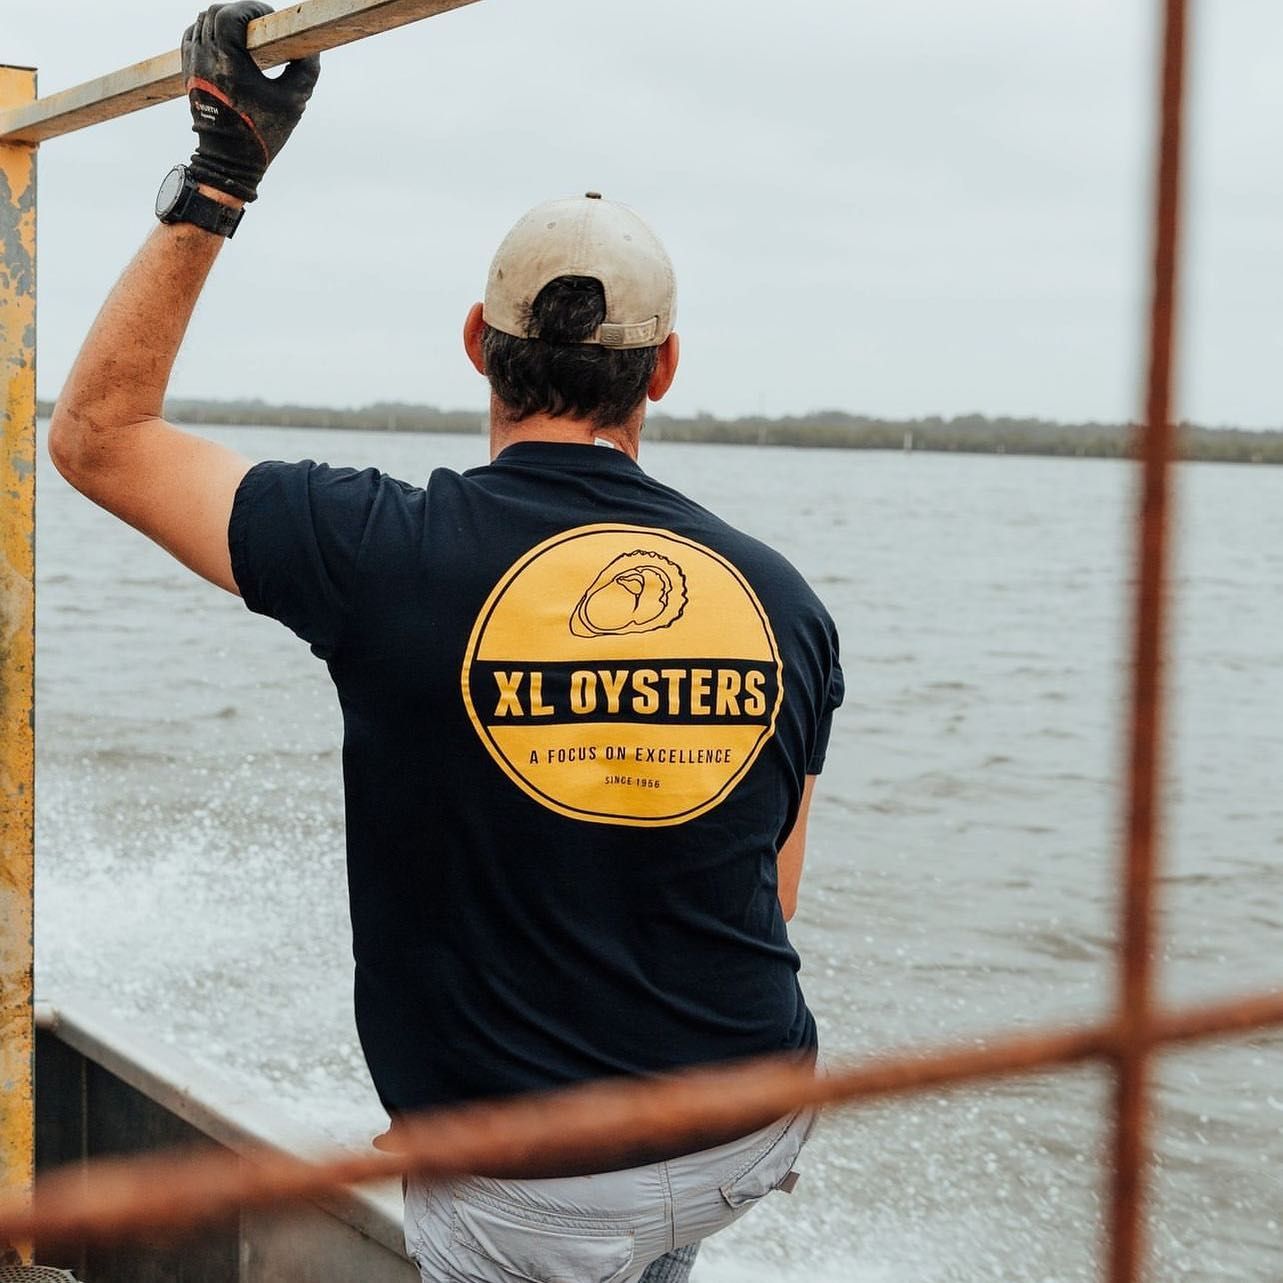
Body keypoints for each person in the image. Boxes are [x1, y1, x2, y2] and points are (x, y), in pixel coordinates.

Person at [48, 4, 844, 1280]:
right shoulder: (783, 602)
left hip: (528, 1187)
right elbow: (763, 898)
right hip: (744, 1125)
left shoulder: (380, 549)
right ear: (666, 368)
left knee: (571, 1223)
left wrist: (221, 172)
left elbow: (97, 435)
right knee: (645, 1225)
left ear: (478, 344)